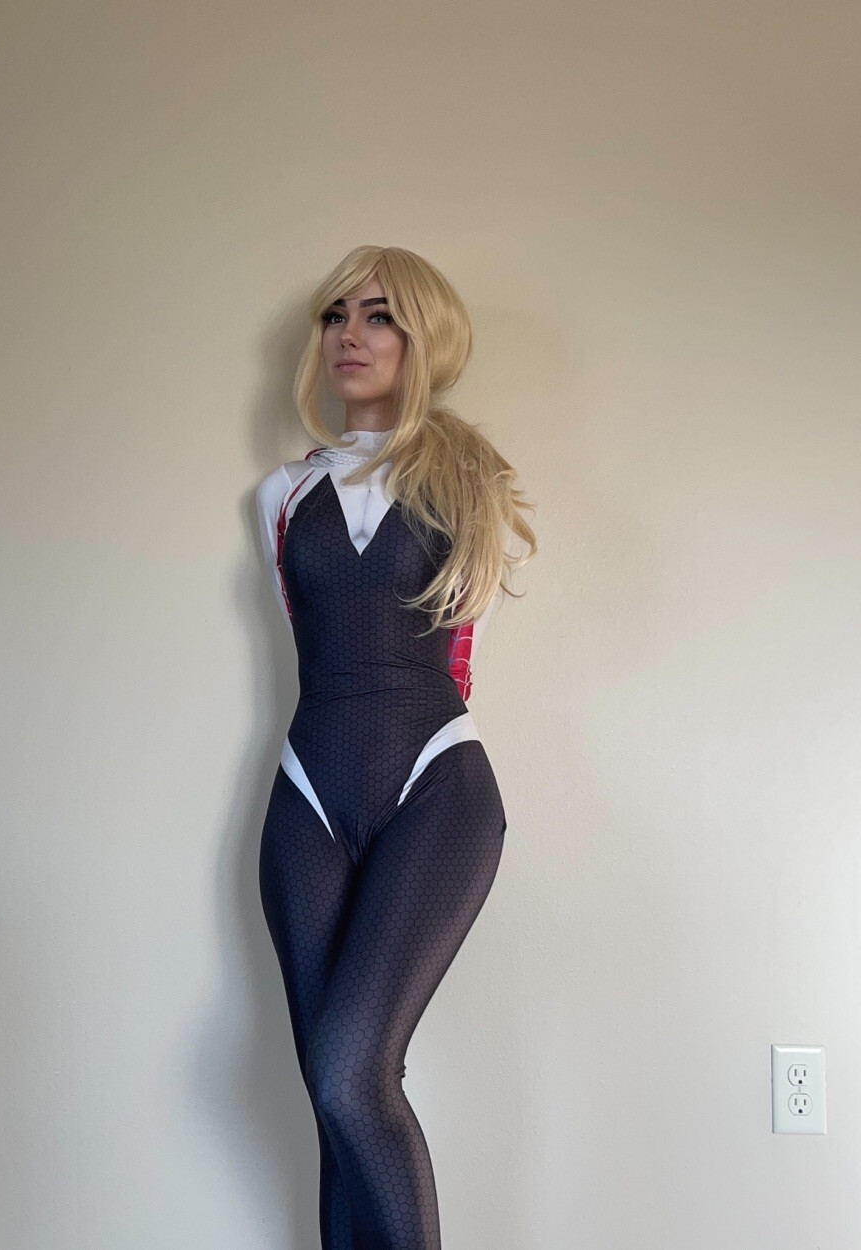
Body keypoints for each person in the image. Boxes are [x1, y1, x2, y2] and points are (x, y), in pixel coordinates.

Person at [254, 244, 537, 1249]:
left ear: (425, 338)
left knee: (351, 1070)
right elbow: (308, 634)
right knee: (332, 1098)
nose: (350, 335)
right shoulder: (281, 496)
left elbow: (461, 657)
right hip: (306, 795)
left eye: (379, 316)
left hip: (434, 786)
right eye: (336, 316)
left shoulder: (469, 483)